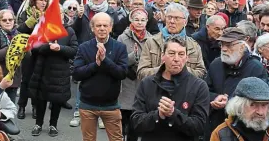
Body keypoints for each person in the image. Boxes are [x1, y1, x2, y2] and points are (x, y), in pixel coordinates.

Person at [131, 36, 210, 141]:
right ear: (163, 56)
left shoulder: (199, 86)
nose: (176, 59)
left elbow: (199, 126)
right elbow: (136, 122)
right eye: (172, 53)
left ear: (187, 58)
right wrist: (157, 115)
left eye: (181, 54)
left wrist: (174, 114)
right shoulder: (147, 83)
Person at [72, 12, 128, 141]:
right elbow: (76, 74)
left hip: (111, 105)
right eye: (98, 25)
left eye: (105, 25)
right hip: (87, 105)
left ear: (110, 27)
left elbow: (122, 73)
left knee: (117, 139)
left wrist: (105, 60)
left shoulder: (120, 47)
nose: (102, 28)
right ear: (92, 28)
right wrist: (96, 64)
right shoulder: (84, 47)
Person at [206, 27, 268, 140]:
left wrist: (229, 101)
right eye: (222, 44)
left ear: (242, 47)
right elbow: (205, 91)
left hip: (243, 129)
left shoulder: (255, 67)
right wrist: (215, 98)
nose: (224, 49)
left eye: (229, 45)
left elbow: (259, 99)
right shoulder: (215, 64)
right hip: (216, 125)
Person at [29, 11, 78, 137]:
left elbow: (74, 50)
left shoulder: (69, 31)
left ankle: (53, 125)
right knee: (41, 98)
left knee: (57, 99)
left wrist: (60, 48)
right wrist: (47, 47)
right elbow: (33, 48)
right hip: (42, 69)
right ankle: (38, 124)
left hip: (60, 71)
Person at [210, 77, 269, 141]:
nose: (260, 112)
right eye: (253, 105)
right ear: (239, 106)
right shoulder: (221, 134)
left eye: (264, 105)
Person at [137, 3, 206, 79]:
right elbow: (141, 73)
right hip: (157, 89)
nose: (172, 21)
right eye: (169, 17)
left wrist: (181, 70)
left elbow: (201, 74)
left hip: (184, 89)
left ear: (185, 22)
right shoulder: (151, 42)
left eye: (176, 18)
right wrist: (163, 69)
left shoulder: (194, 46)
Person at [116, 8, 152, 141]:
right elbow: (117, 59)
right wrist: (132, 57)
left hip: (142, 82)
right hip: (126, 82)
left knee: (136, 125)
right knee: (122, 120)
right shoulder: (122, 37)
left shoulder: (152, 39)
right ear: (131, 20)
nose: (140, 22)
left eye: (143, 20)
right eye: (136, 19)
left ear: (147, 21)